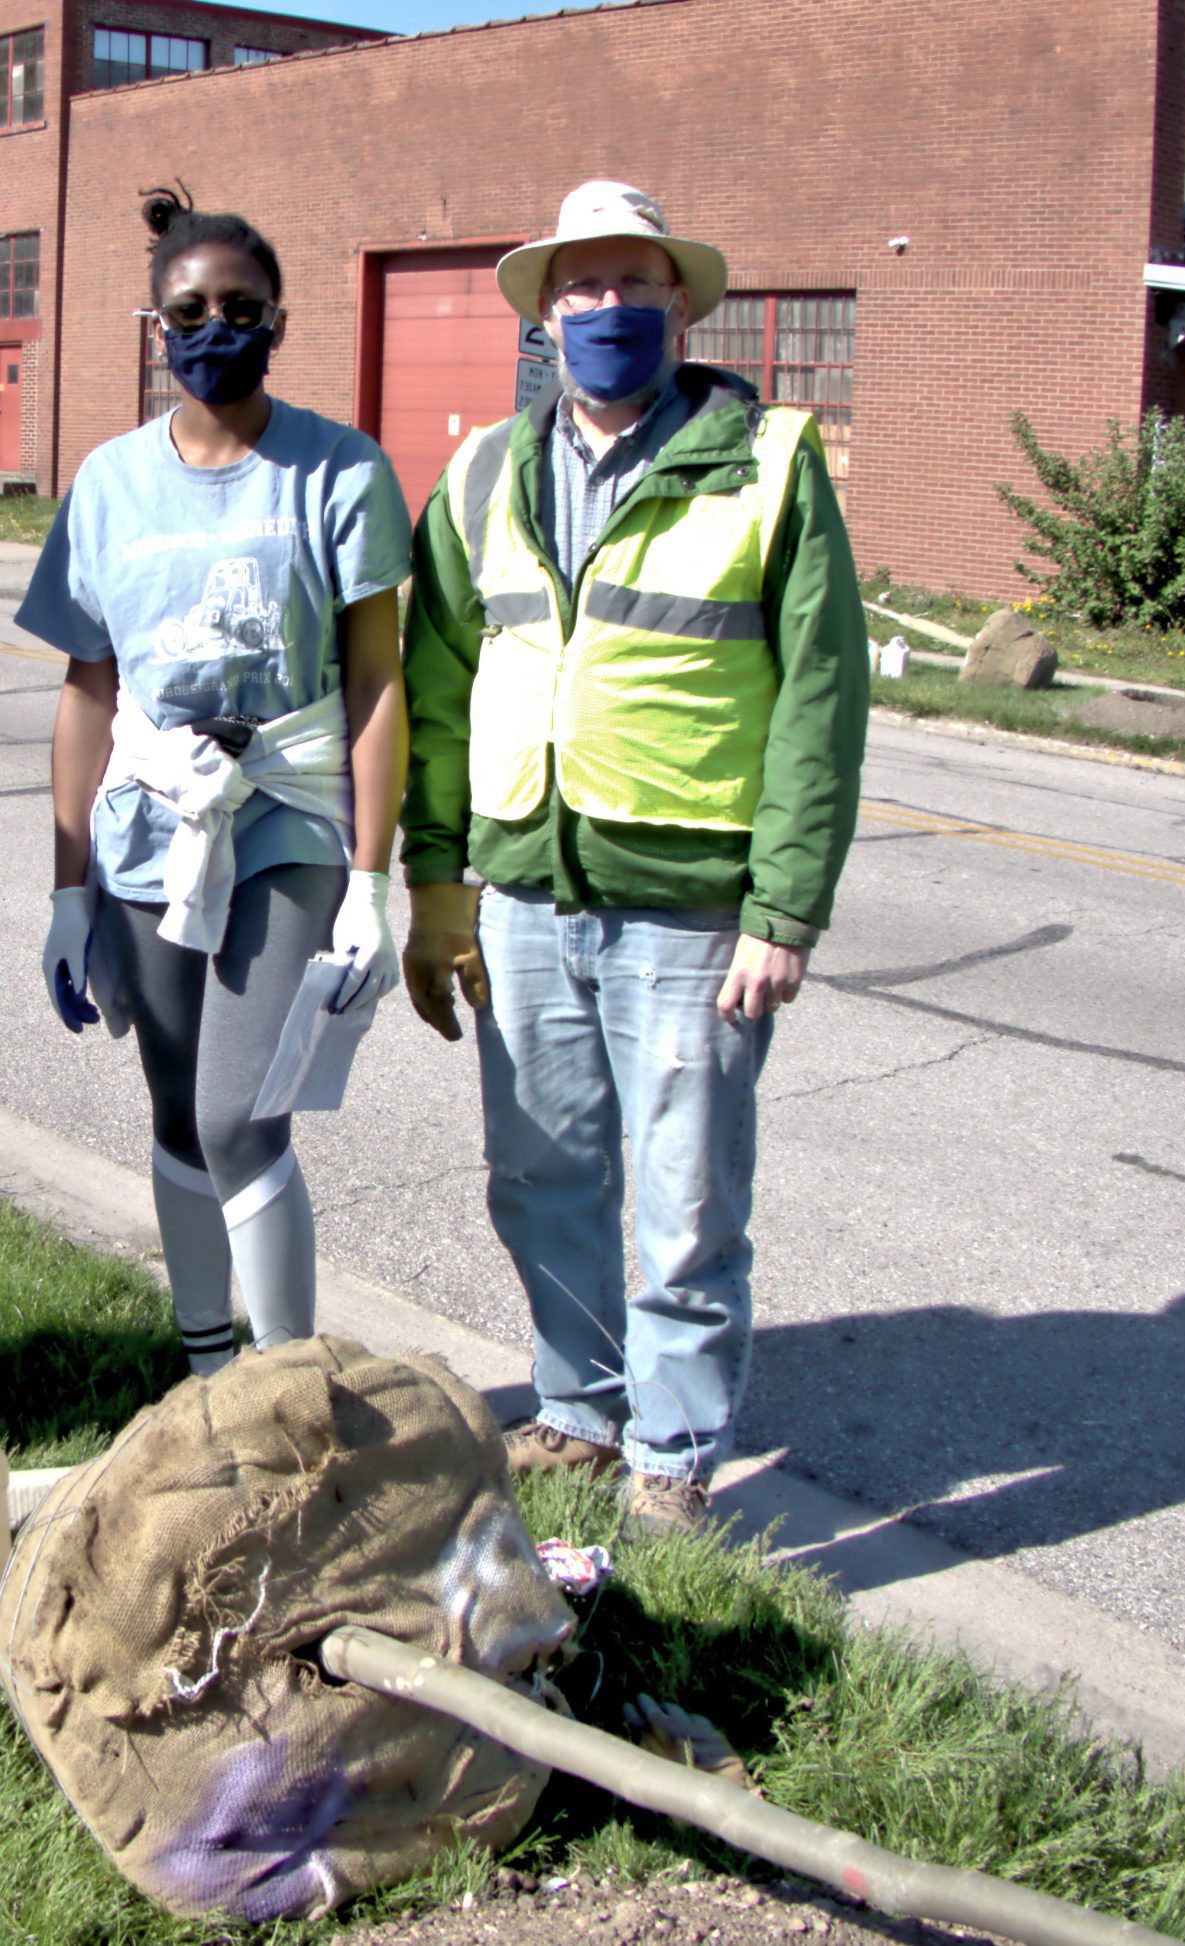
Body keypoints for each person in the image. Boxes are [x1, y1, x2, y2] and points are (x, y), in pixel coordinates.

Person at [398, 181, 866, 1535]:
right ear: (546, 315)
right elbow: (438, 689)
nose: (608, 309)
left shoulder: (768, 457)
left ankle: (674, 1452)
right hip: (526, 890)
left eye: (633, 285)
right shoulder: (483, 472)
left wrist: (784, 908)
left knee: (685, 1192)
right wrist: (436, 888)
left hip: (693, 907)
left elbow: (821, 700)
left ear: (681, 304)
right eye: (581, 288)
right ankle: (579, 1409)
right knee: (541, 1169)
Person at [21, 188, 411, 1381]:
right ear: (156, 325)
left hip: (286, 813)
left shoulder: (338, 470)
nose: (214, 326)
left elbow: (378, 681)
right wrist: (70, 888)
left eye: (240, 307)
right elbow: (89, 691)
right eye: (188, 309)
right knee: (177, 1111)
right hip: (149, 822)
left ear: (279, 319)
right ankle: (204, 1377)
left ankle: (287, 1389)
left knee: (244, 1113)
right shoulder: (106, 481)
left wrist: (368, 880)